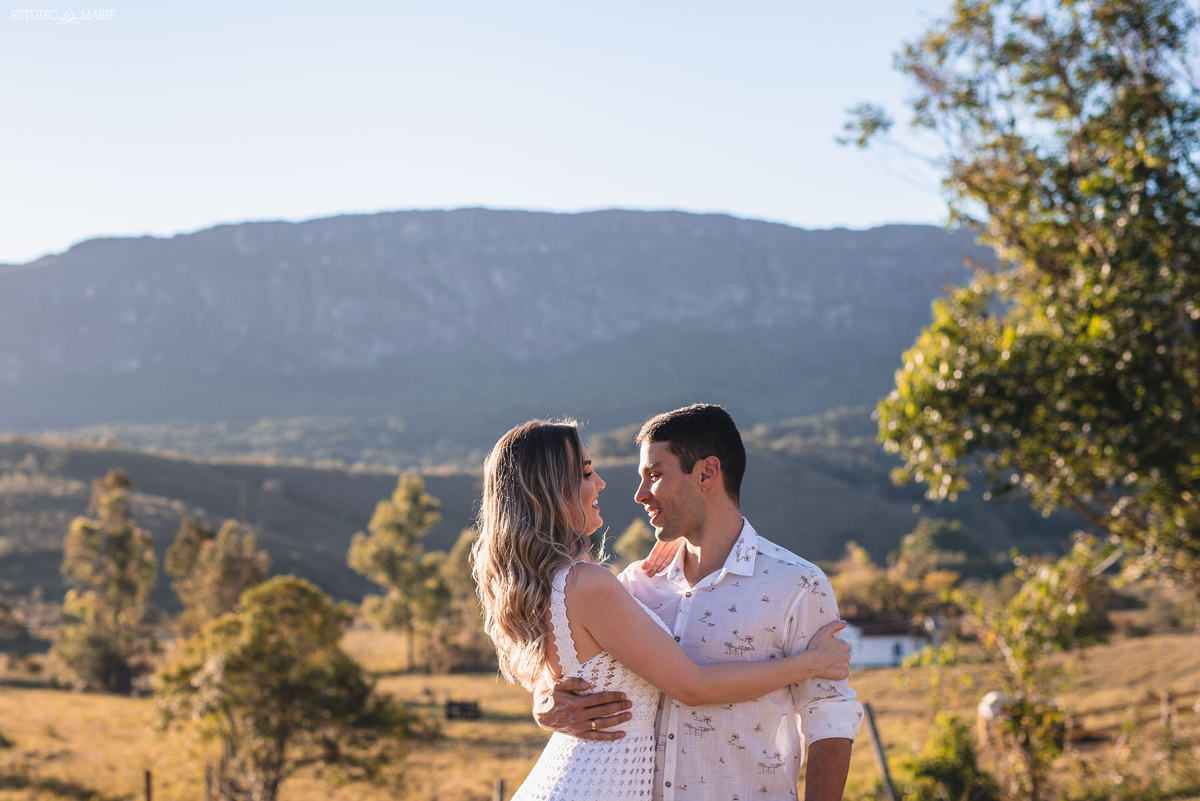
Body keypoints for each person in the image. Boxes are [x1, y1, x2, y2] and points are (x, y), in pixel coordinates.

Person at [471, 418, 852, 800]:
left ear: (707, 473)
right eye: (587, 473)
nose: (635, 494)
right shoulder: (634, 584)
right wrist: (544, 704)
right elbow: (686, 684)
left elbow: (830, 715)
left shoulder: (797, 584)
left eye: (653, 475)